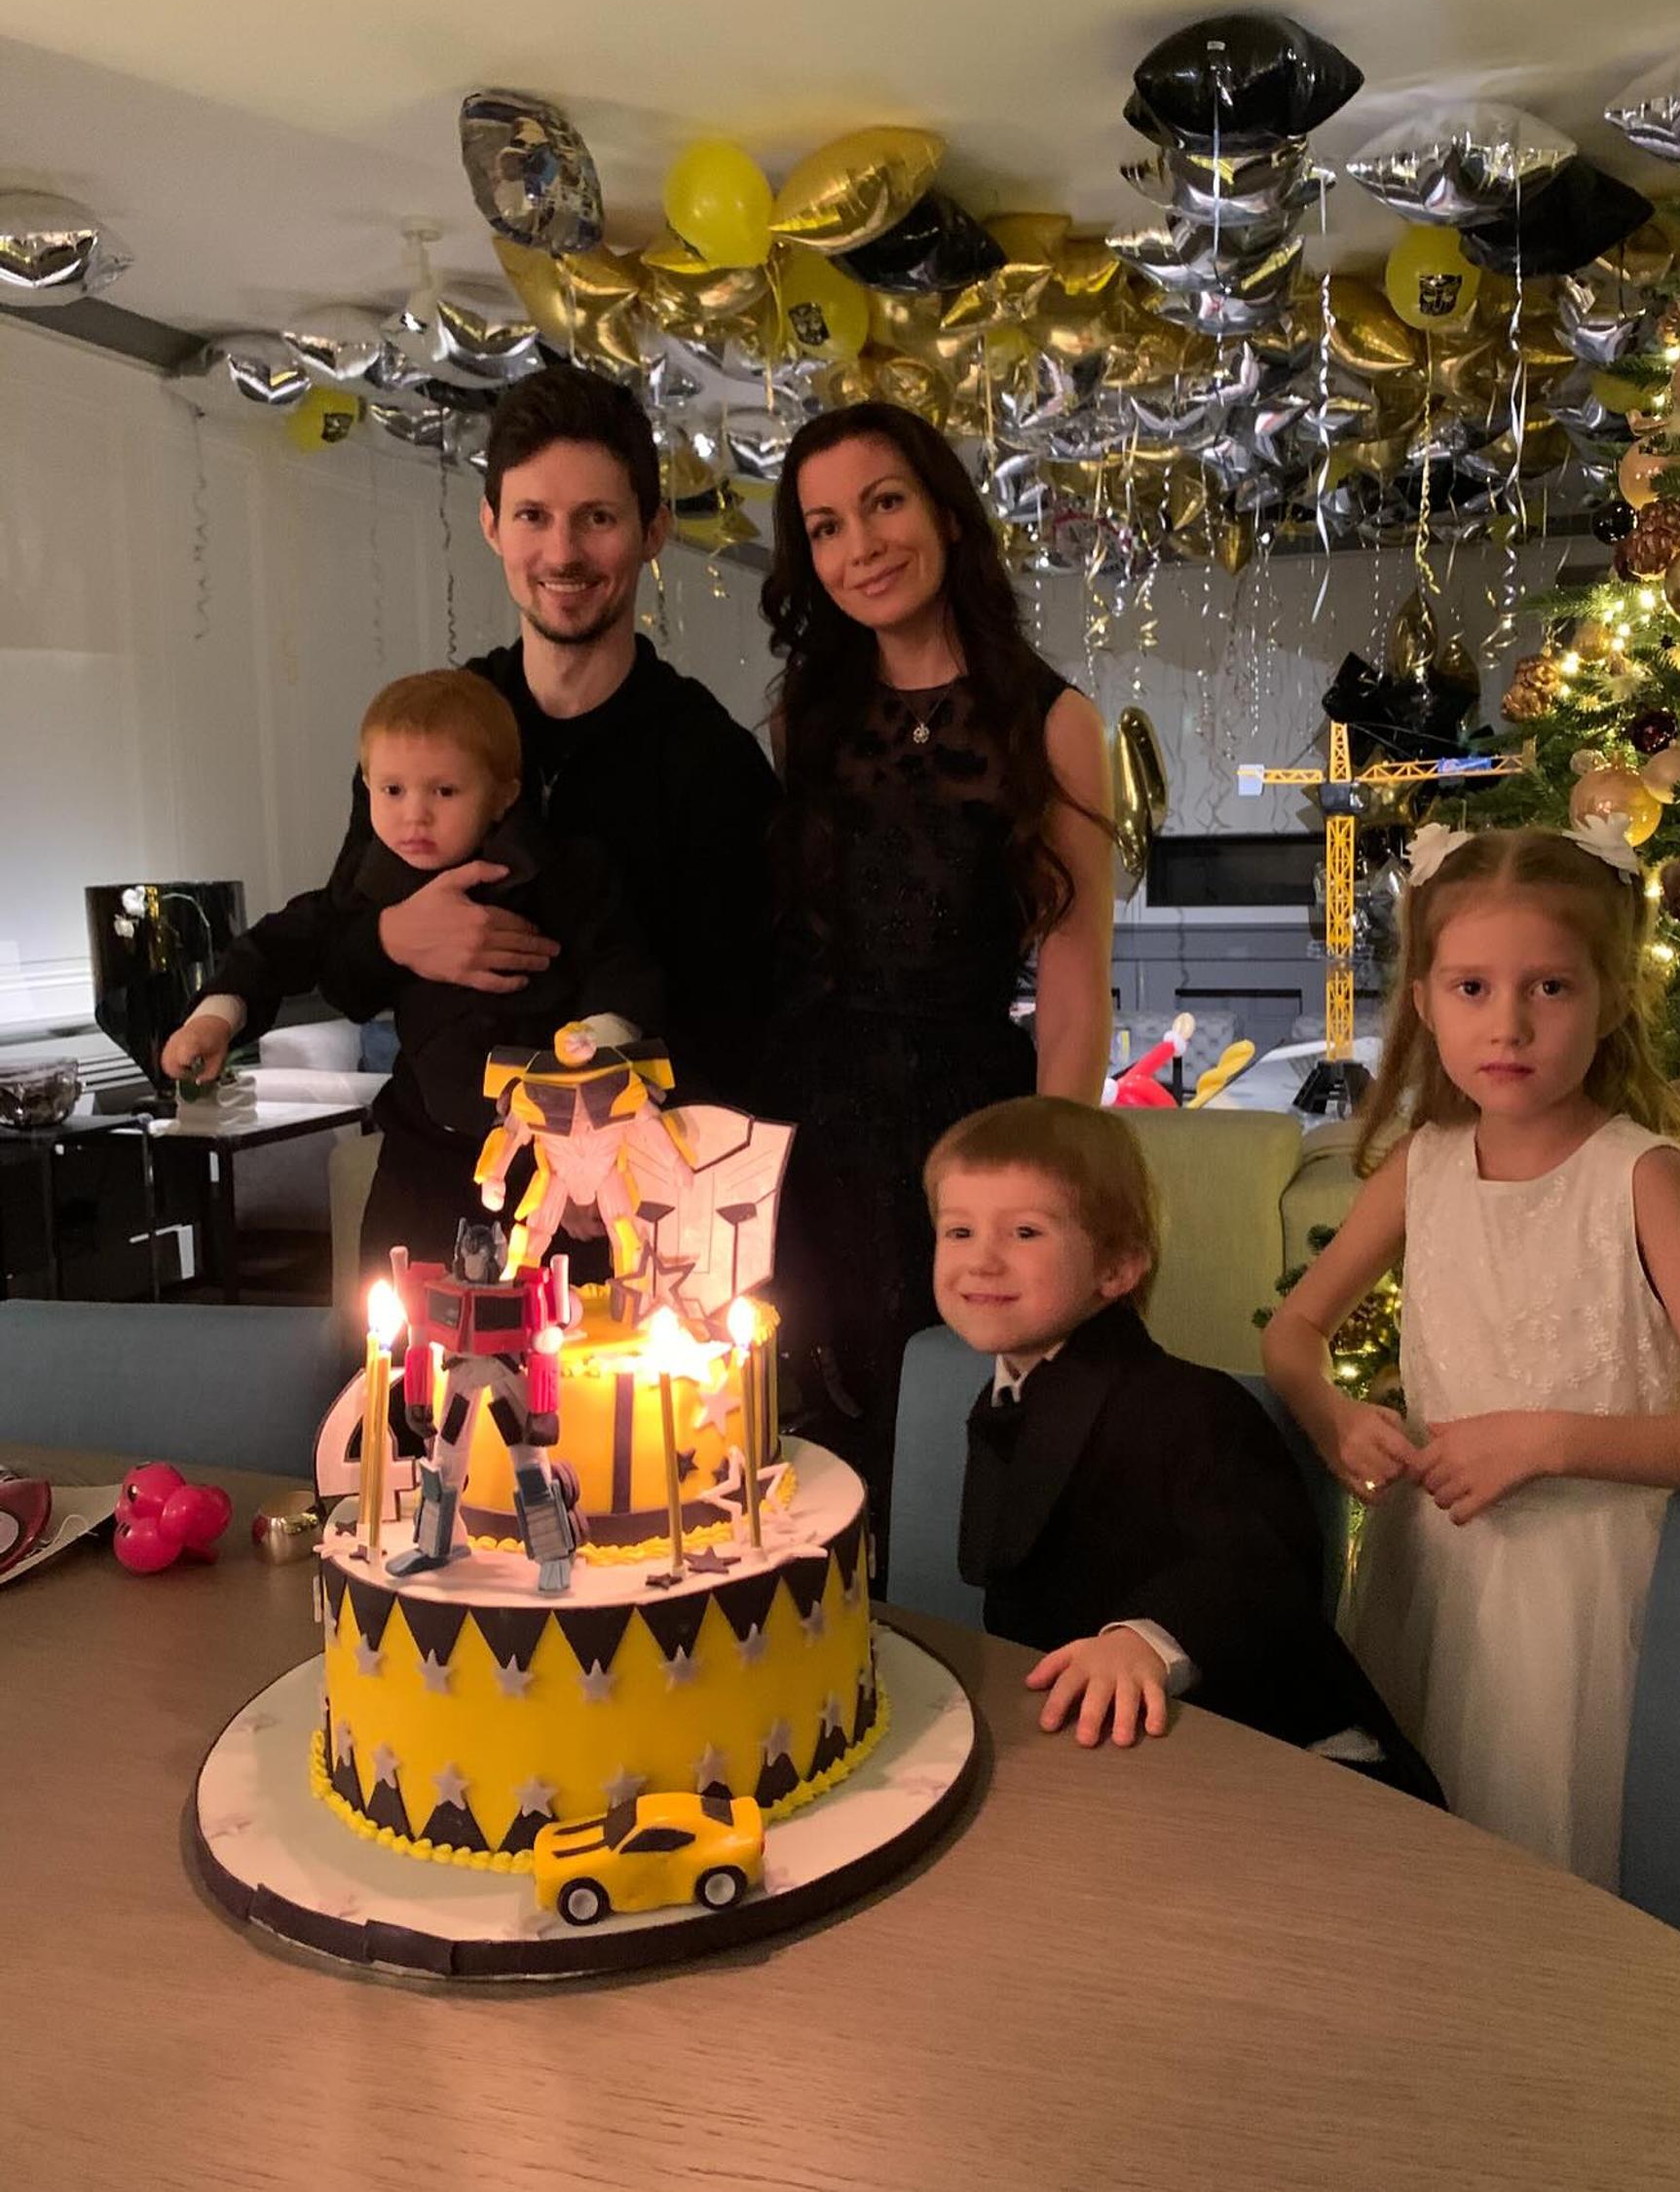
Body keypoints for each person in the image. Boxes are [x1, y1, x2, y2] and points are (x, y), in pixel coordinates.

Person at [1261, 819, 1680, 1886]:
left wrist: (1547, 1441)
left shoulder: (1642, 1178)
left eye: (1549, 987)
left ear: (1610, 999)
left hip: (1581, 1611)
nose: (1507, 1024)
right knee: (1414, 1865)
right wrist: (1332, 1415)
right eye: (1471, 987)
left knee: (1540, 1882)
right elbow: (1293, 1332)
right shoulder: (1422, 1165)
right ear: (1424, 1002)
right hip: (1427, 1576)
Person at [166, 365, 779, 1118]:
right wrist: (394, 938)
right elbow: (342, 965)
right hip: (433, 1156)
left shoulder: (711, 761)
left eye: (597, 518)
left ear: (652, 531)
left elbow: (742, 1017)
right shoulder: (424, 734)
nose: (562, 552)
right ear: (492, 525)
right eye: (532, 516)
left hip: (626, 1159)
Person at [760, 401, 1114, 1555]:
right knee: (814, 1441)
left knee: (957, 1440)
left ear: (947, 515)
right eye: (824, 526)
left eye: (883, 503)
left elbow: (1074, 986)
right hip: (814, 1126)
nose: (858, 546)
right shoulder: (804, 721)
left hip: (967, 1119)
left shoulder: (1054, 723)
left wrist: (1048, 1189)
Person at [930, 1096, 1442, 1799]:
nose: (981, 1260)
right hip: (1098, 1746)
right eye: (958, 1231)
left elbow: (1260, 1565)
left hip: (1275, 1747)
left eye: (1024, 1232)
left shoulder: (1189, 1407)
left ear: (1117, 1268)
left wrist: (1144, 1640)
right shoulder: (1008, 1394)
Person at [164, 669, 661, 1278]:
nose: (414, 816)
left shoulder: (565, 874)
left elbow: (623, 970)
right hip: (422, 1161)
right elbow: (284, 942)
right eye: (392, 791)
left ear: (502, 795)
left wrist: (591, 1096)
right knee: (399, 1314)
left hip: (547, 1151)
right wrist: (216, 1016)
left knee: (564, 1314)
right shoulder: (370, 886)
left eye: (444, 792)